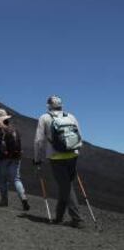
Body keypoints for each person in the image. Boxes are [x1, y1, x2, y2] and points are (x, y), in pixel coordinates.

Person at [34, 96, 84, 228]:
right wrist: (75, 151)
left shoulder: (44, 118)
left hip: (56, 157)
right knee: (65, 186)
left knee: (66, 187)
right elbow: (80, 136)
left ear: (48, 106)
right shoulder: (71, 117)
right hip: (73, 154)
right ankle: (59, 217)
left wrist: (37, 158)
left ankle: (76, 219)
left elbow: (39, 141)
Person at [0, 108, 30, 211]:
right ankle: (23, 199)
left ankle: (4, 201)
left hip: (3, 159)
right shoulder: (14, 129)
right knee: (16, 179)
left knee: (3, 180)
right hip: (16, 157)